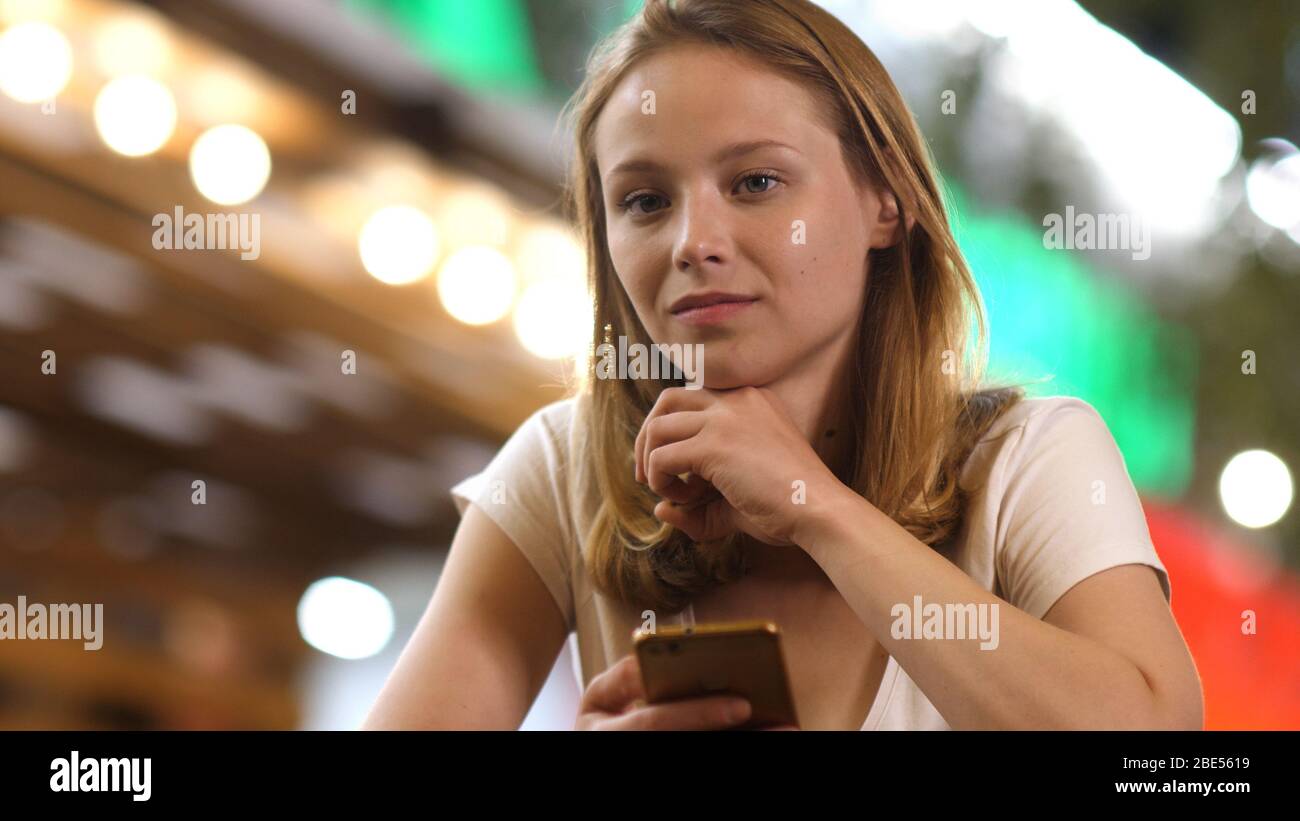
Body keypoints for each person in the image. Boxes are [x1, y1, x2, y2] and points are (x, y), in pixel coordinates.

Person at [362, 0, 1202, 731]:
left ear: (887, 199)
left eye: (756, 181)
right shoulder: (563, 465)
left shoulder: (1028, 458)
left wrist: (816, 509)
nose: (694, 242)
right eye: (645, 200)